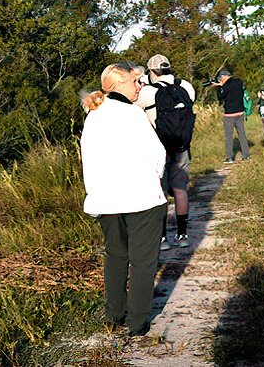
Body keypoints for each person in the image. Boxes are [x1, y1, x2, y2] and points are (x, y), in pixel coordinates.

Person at [80, 61, 167, 337]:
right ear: (119, 85)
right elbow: (158, 156)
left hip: (106, 200)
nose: (139, 86)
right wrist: (153, 180)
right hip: (141, 199)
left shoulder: (92, 116)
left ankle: (114, 314)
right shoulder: (132, 114)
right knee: (143, 261)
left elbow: (88, 163)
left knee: (116, 256)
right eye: (135, 81)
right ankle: (137, 321)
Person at [135, 54, 198, 250]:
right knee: (180, 189)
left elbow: (133, 108)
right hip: (181, 145)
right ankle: (182, 235)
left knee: (159, 193)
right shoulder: (186, 86)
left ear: (152, 71)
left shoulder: (147, 92)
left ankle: (162, 238)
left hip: (157, 148)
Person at [213, 69, 251, 163]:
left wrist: (219, 87)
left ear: (223, 77)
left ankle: (230, 157)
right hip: (240, 112)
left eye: (220, 78)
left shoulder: (226, 85)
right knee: (242, 134)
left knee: (229, 136)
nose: (220, 80)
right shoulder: (238, 83)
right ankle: (246, 155)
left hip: (229, 114)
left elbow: (220, 97)